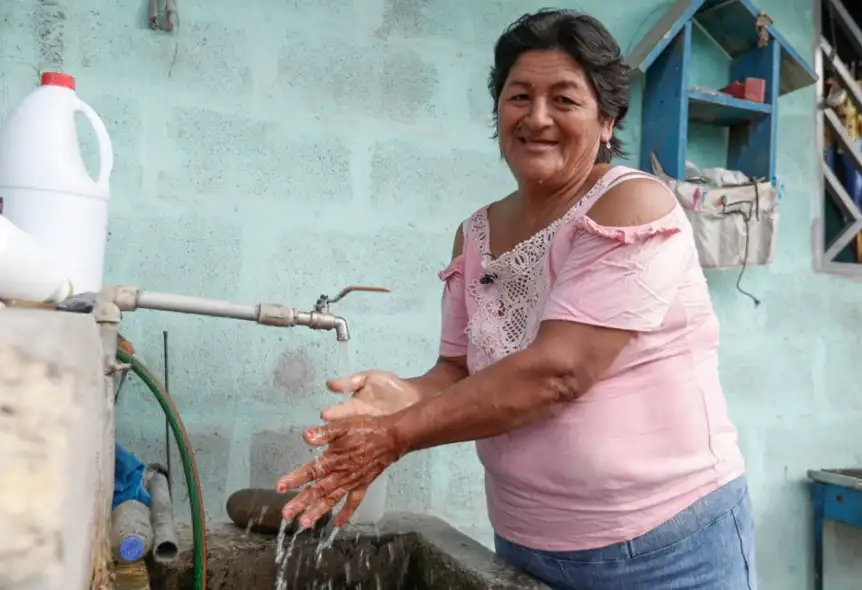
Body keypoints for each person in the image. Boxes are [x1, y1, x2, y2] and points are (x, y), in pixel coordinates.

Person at [277, 8, 756, 589]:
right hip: (526, 542)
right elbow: (459, 370)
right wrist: (400, 398)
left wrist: (397, 435)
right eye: (519, 96)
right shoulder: (475, 234)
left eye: (564, 100)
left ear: (607, 119)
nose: (537, 118)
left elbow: (558, 373)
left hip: (666, 547)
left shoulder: (632, 207)